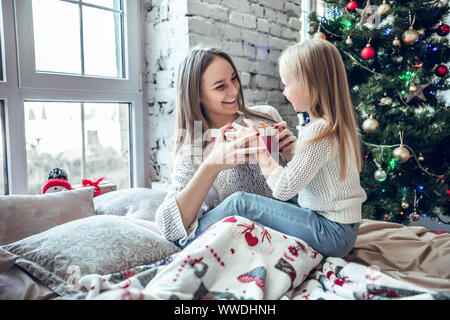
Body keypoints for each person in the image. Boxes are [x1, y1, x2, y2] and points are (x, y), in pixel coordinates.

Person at [193, 39, 367, 258]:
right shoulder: (329, 126)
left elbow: (284, 190)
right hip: (341, 229)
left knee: (241, 203)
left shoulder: (319, 131)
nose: (284, 92)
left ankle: (191, 239)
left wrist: (259, 148)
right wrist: (290, 153)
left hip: (331, 233)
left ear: (310, 84)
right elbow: (317, 175)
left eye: (287, 84)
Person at [155, 47, 298, 248]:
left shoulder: (266, 116)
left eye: (234, 79)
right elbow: (169, 227)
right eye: (220, 86)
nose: (234, 90)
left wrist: (293, 154)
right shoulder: (194, 148)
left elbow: (301, 198)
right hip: (243, 246)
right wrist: (211, 165)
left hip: (291, 234)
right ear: (197, 94)